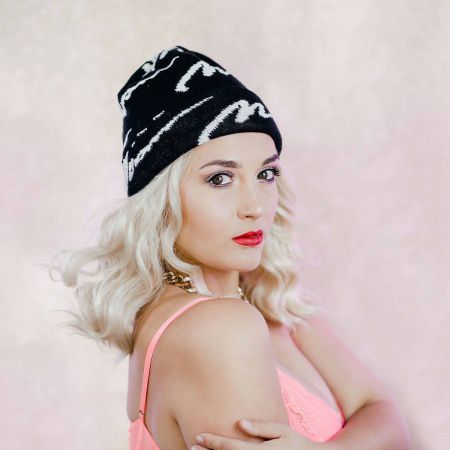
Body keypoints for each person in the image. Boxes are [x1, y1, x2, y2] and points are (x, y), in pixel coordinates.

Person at [49, 45, 411, 450]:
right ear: (161, 201)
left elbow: (385, 413)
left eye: (266, 173)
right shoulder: (220, 329)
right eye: (219, 179)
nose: (255, 206)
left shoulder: (270, 306)